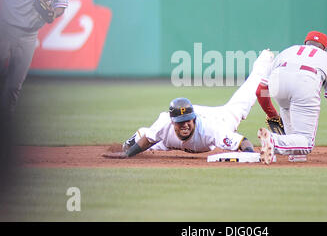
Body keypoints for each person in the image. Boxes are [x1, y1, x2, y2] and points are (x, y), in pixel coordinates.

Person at [102, 49, 275, 159]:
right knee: (145, 136)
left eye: (188, 120)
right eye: (180, 121)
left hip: (221, 118)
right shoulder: (164, 124)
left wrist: (251, 156)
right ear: (172, 122)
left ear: (193, 119)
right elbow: (148, 139)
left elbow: (243, 142)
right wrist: (127, 154)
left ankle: (264, 60)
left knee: (246, 95)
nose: (185, 124)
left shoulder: (212, 129)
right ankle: (129, 142)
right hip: (172, 140)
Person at [255, 31, 327, 165]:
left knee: (287, 107)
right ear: (324, 48)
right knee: (306, 142)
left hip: (279, 83)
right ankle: (274, 141)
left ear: (305, 43)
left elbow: (260, 91)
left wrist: (272, 114)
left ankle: (295, 155)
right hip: (306, 83)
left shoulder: (288, 51)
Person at [0, 0, 69, 115]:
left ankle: (5, 123)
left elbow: (61, 6)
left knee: (15, 84)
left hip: (29, 35)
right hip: (5, 29)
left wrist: (51, 13)